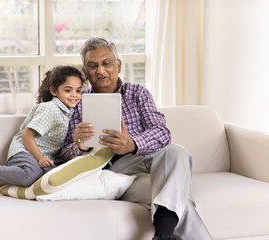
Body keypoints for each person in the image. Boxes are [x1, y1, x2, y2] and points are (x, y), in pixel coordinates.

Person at [58, 38, 212, 240]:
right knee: (180, 200)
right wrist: (81, 146)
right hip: (115, 173)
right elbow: (64, 154)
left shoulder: (137, 93)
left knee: (177, 151)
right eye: (93, 66)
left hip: (148, 160)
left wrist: (132, 144)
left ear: (118, 65)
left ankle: (162, 235)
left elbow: (162, 132)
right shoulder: (77, 103)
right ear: (85, 71)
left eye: (107, 63)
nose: (100, 70)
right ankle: (164, 234)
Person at [0, 66, 85, 196]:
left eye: (78, 91)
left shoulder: (68, 112)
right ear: (54, 91)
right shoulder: (50, 109)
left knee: (52, 179)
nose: (74, 95)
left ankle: (2, 182)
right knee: (32, 174)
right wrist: (39, 158)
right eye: (68, 90)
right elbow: (27, 135)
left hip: (43, 157)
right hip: (25, 150)